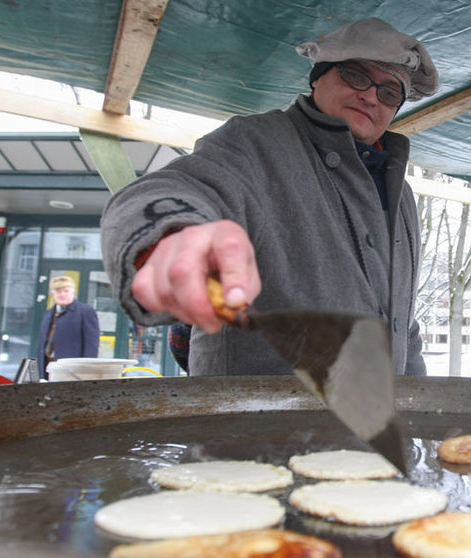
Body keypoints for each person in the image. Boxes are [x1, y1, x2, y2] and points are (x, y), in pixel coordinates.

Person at [100, 18, 438, 377]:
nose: (371, 96)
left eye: (389, 93)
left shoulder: (401, 196)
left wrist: (417, 411)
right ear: (318, 77)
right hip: (253, 425)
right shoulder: (256, 144)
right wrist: (170, 240)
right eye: (356, 76)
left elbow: (402, 322)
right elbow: (177, 188)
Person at [36, 276, 100, 378]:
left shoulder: (85, 312)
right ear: (53, 294)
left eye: (66, 291)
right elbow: (42, 343)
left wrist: (86, 371)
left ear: (73, 292)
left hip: (72, 370)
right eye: (58, 291)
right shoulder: (49, 313)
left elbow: (91, 345)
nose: (62, 294)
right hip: (49, 367)